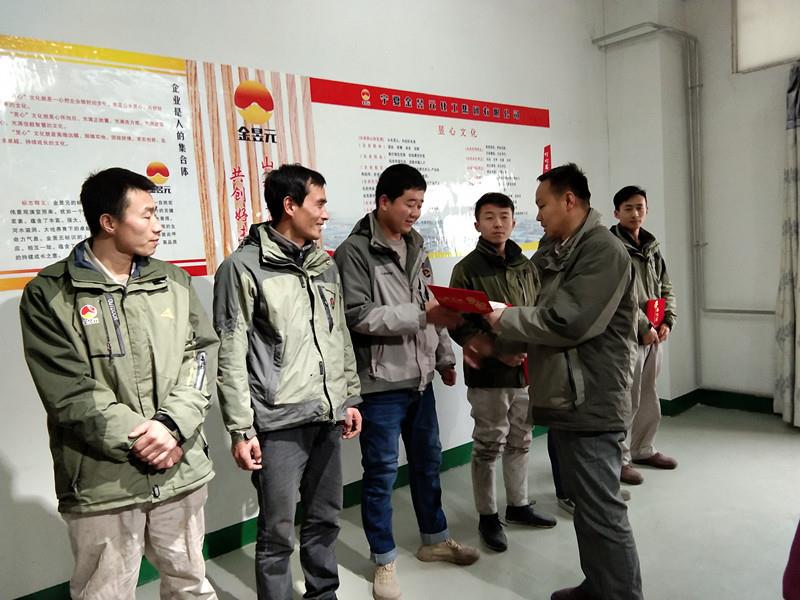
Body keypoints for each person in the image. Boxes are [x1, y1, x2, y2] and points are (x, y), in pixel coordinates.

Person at [19, 167, 219, 600]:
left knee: (190, 585)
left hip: (179, 468)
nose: (158, 225)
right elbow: (68, 390)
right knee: (104, 593)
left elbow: (201, 356)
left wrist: (172, 426)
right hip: (103, 481)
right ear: (108, 222)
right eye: (146, 215)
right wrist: (147, 439)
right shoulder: (50, 294)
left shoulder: (173, 281)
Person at [475, 163, 643, 600]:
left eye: (542, 205)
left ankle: (621, 594)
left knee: (603, 512)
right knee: (586, 508)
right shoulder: (558, 250)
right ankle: (599, 586)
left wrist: (503, 319)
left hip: (592, 398)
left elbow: (568, 321)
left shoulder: (602, 250)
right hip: (565, 397)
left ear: (569, 200)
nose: (537, 215)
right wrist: (500, 340)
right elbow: (541, 316)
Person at [213, 164, 362, 600]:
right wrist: (241, 429)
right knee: (277, 531)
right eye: (319, 204)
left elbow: (338, 335)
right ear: (290, 205)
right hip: (277, 423)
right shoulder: (243, 268)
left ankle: (323, 593)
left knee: (325, 518)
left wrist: (349, 397)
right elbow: (230, 354)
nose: (325, 214)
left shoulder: (323, 265)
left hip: (327, 415)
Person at [334, 163, 479, 600]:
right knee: (380, 474)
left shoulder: (417, 245)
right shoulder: (355, 251)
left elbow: (432, 305)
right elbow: (358, 315)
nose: (415, 212)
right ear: (384, 202)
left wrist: (444, 356)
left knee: (427, 463)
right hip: (380, 382)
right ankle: (384, 559)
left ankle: (434, 540)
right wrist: (422, 316)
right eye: (409, 203)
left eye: (420, 204)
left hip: (420, 379)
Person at [448, 192, 556, 552]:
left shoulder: (526, 266)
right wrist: (494, 350)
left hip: (525, 371)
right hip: (489, 375)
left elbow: (538, 313)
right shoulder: (467, 269)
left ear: (513, 221)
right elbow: (457, 322)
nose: (498, 224)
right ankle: (488, 516)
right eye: (490, 217)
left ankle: (519, 505)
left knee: (521, 439)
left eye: (504, 216)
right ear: (477, 223)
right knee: (488, 444)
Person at [610, 185, 678, 486]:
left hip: (654, 335)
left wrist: (667, 321)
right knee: (627, 398)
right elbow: (617, 296)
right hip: (627, 336)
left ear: (647, 210)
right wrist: (643, 327)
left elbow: (666, 287)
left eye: (640, 207)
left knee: (649, 393)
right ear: (616, 213)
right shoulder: (612, 247)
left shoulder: (651, 247)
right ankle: (620, 459)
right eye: (628, 208)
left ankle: (643, 449)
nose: (635, 213)